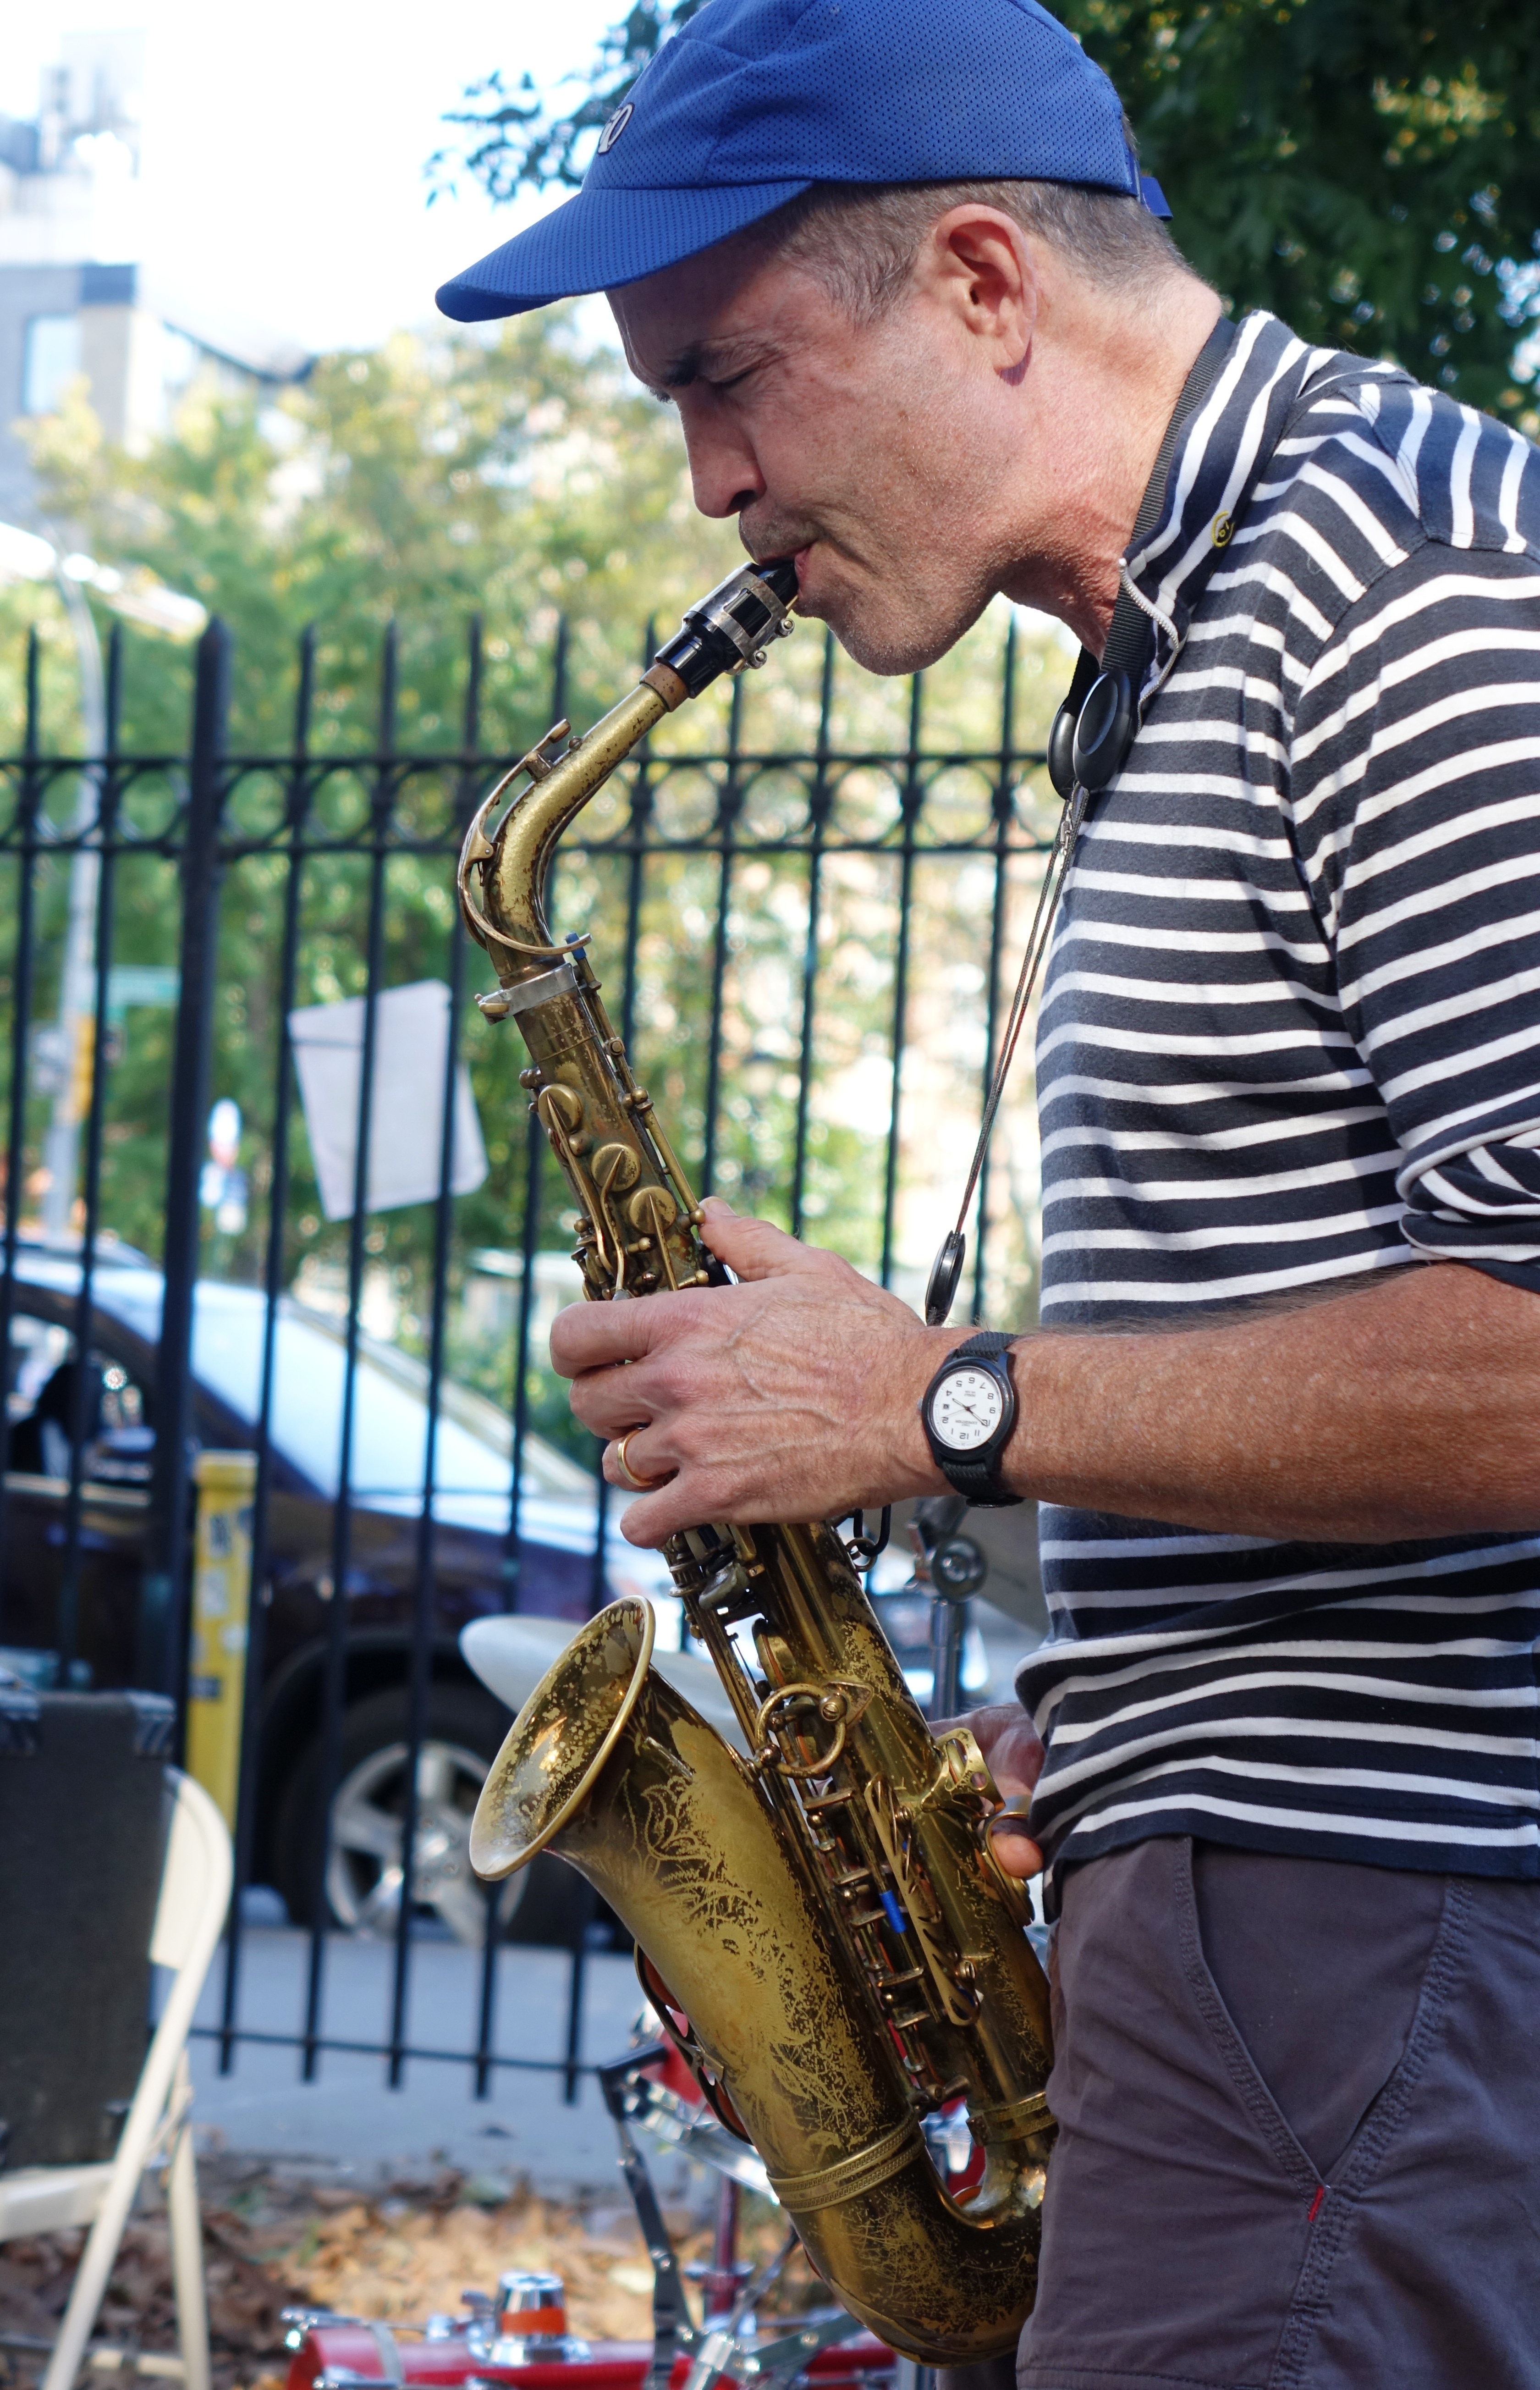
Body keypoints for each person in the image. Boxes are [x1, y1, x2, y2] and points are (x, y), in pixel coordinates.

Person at [438, 1, 1540, 2382]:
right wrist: (1109, 1712)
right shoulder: (1190, 644)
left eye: (730, 380)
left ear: (978, 283)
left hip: (1368, 1957)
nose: (711, 484)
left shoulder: (1408, 602)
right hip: (1297, 1947)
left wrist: (928, 1403)